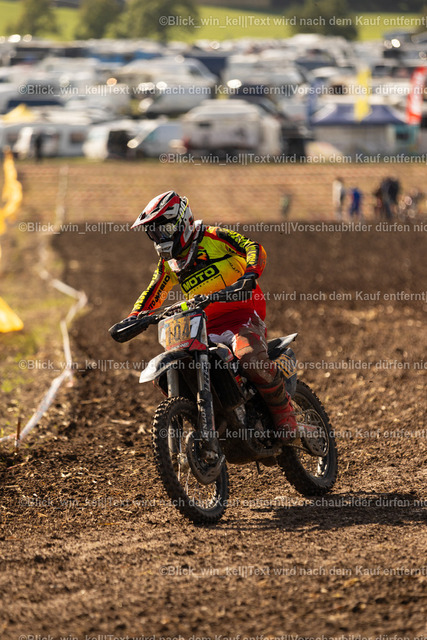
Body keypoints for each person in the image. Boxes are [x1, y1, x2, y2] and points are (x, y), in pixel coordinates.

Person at [111, 190, 297, 441]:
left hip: (241, 314)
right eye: (153, 233)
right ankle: (214, 420)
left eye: (163, 230)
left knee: (249, 357)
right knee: (177, 370)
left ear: (182, 222)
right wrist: (135, 317)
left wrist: (250, 275)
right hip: (203, 325)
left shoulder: (212, 237)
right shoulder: (170, 264)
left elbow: (252, 247)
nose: (159, 238)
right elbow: (154, 290)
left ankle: (285, 415)